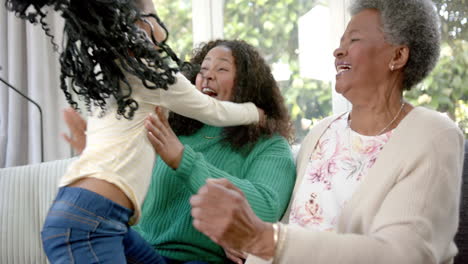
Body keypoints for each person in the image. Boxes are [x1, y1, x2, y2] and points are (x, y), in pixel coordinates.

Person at [189, 0, 466, 263]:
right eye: (340, 43)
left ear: (398, 55)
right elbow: (286, 223)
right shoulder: (323, 132)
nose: (338, 51)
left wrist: (263, 239)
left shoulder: (433, 135)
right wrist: (243, 237)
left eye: (354, 40)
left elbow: (405, 255)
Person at [7, 0, 266, 263]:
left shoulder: (114, 76)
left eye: (221, 69)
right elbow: (213, 110)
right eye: (154, 15)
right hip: (93, 221)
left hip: (89, 215)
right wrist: (255, 112)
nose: (160, 22)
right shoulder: (153, 76)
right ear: (137, 25)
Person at [61, 39, 297, 264]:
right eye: (203, 69)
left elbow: (265, 209)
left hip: (201, 259)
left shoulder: (269, 146)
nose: (208, 76)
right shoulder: (173, 130)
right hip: (144, 251)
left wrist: (184, 160)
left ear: (249, 82)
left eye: (222, 69)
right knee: (81, 225)